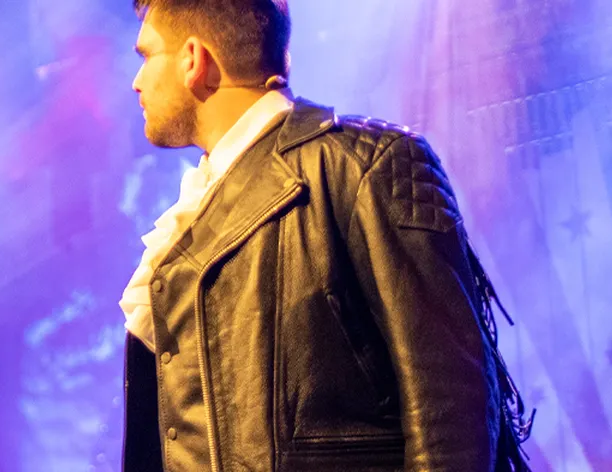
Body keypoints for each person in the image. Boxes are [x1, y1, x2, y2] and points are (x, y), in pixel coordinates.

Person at [117, 1, 531, 470]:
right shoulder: (191, 215)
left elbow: (450, 406)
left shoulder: (362, 166)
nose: (137, 80)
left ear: (194, 60)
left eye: (147, 56)